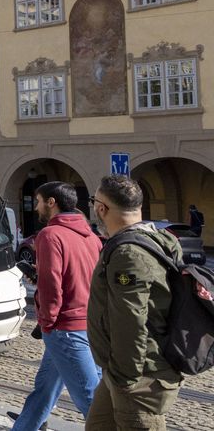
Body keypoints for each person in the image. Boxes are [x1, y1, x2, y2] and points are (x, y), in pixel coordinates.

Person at [87, 175, 183, 429]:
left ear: (101, 208)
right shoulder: (156, 239)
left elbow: (130, 318)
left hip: (138, 373)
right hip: (120, 368)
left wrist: (126, 378)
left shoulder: (127, 253)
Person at [9, 182, 102, 431]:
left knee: (92, 401)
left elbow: (52, 284)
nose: (36, 207)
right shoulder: (91, 237)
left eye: (38, 201)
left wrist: (47, 323)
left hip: (65, 328)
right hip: (89, 324)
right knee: (45, 390)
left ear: (52, 202)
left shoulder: (50, 235)